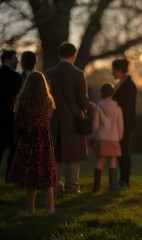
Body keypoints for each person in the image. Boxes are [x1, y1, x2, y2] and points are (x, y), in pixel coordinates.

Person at [46, 42, 94, 194]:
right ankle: (72, 186)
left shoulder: (49, 73)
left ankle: (54, 185)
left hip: (53, 120)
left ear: (59, 55)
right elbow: (82, 101)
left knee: (56, 155)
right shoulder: (78, 74)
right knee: (73, 156)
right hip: (73, 121)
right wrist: (93, 106)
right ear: (74, 55)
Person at [8, 71, 57, 214]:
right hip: (44, 139)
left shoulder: (23, 102)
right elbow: (48, 120)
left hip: (28, 139)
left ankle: (30, 208)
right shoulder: (48, 101)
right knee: (47, 174)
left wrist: (18, 139)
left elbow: (18, 123)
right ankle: (51, 208)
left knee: (30, 175)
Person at [92, 83, 124, 191]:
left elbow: (95, 124)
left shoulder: (98, 107)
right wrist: (119, 137)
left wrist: (95, 135)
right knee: (112, 162)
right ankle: (113, 185)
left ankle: (96, 187)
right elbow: (120, 125)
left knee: (100, 162)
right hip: (114, 137)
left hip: (101, 137)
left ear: (101, 93)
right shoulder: (117, 108)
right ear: (112, 93)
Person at [111, 58, 137, 188]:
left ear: (120, 70)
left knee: (124, 151)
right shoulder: (122, 83)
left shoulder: (129, 85)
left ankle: (125, 180)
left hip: (125, 124)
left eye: (114, 70)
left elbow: (126, 105)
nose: (112, 73)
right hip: (120, 123)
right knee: (121, 151)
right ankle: (122, 179)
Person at [0, 49, 22, 182]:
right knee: (13, 147)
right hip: (10, 117)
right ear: (8, 59)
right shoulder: (15, 77)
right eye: (15, 58)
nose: (17, 61)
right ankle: (10, 176)